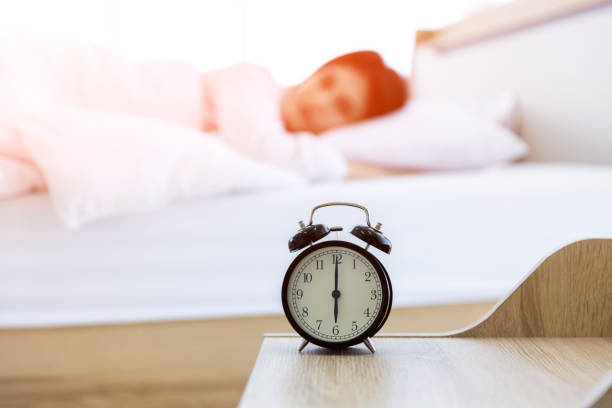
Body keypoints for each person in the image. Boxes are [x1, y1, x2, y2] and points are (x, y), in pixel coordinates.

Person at [201, 51, 409, 181]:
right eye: (326, 82)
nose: (319, 101)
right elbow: (262, 149)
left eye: (342, 107)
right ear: (318, 70)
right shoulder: (250, 78)